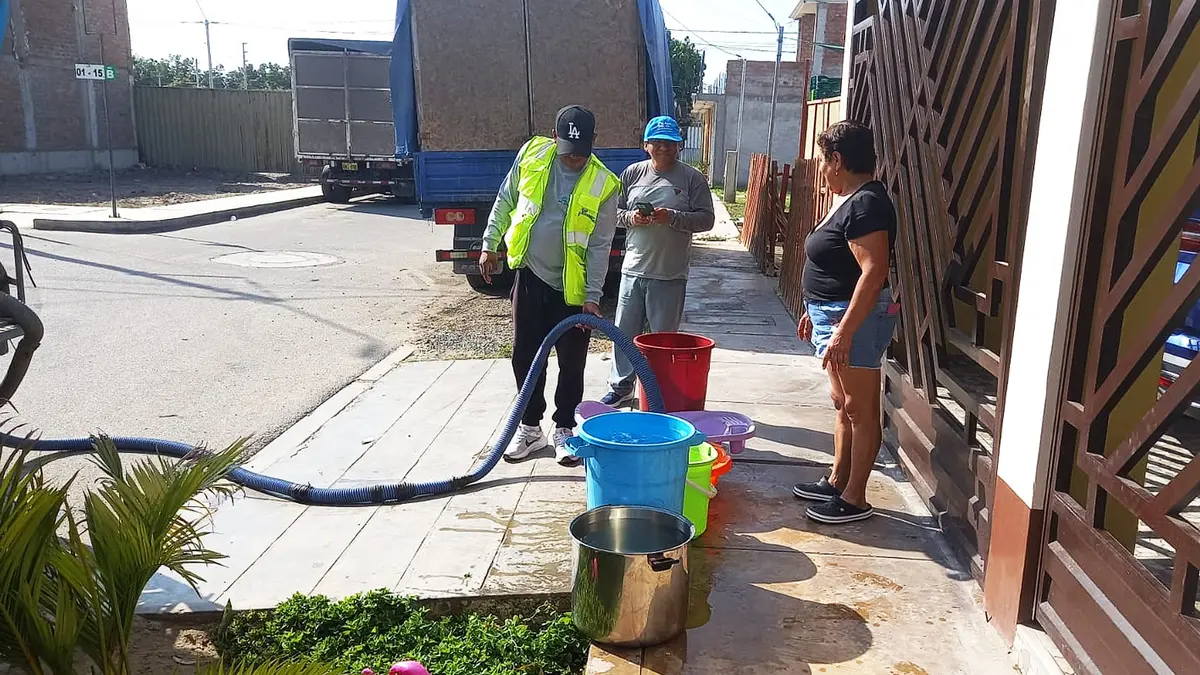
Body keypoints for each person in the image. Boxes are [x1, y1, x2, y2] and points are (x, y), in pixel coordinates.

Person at [480, 105, 621, 465]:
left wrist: (592, 297)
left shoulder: (604, 183)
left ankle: (564, 429)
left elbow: (600, 244)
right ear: (555, 137)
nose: (574, 161)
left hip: (571, 290)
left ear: (593, 143)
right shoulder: (533, 154)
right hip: (530, 275)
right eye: (568, 153)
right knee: (525, 355)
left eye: (581, 154)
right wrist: (489, 243)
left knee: (571, 361)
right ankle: (530, 428)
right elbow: (507, 198)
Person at [791, 120, 899, 524]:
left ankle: (855, 497)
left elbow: (873, 272)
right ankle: (838, 479)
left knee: (860, 409)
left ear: (837, 159)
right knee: (842, 404)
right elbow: (837, 264)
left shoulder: (868, 203)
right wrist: (812, 308)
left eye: (823, 160)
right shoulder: (852, 198)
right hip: (831, 314)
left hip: (852, 320)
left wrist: (843, 331)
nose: (821, 168)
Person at [601, 116, 715, 407]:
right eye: (657, 142)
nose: (663, 148)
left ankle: (659, 390)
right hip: (633, 270)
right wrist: (631, 218)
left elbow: (707, 219)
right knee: (624, 333)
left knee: (663, 340)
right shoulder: (631, 174)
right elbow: (612, 214)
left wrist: (673, 217)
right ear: (646, 145)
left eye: (670, 143)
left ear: (679, 146)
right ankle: (621, 386)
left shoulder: (692, 178)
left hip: (670, 274)